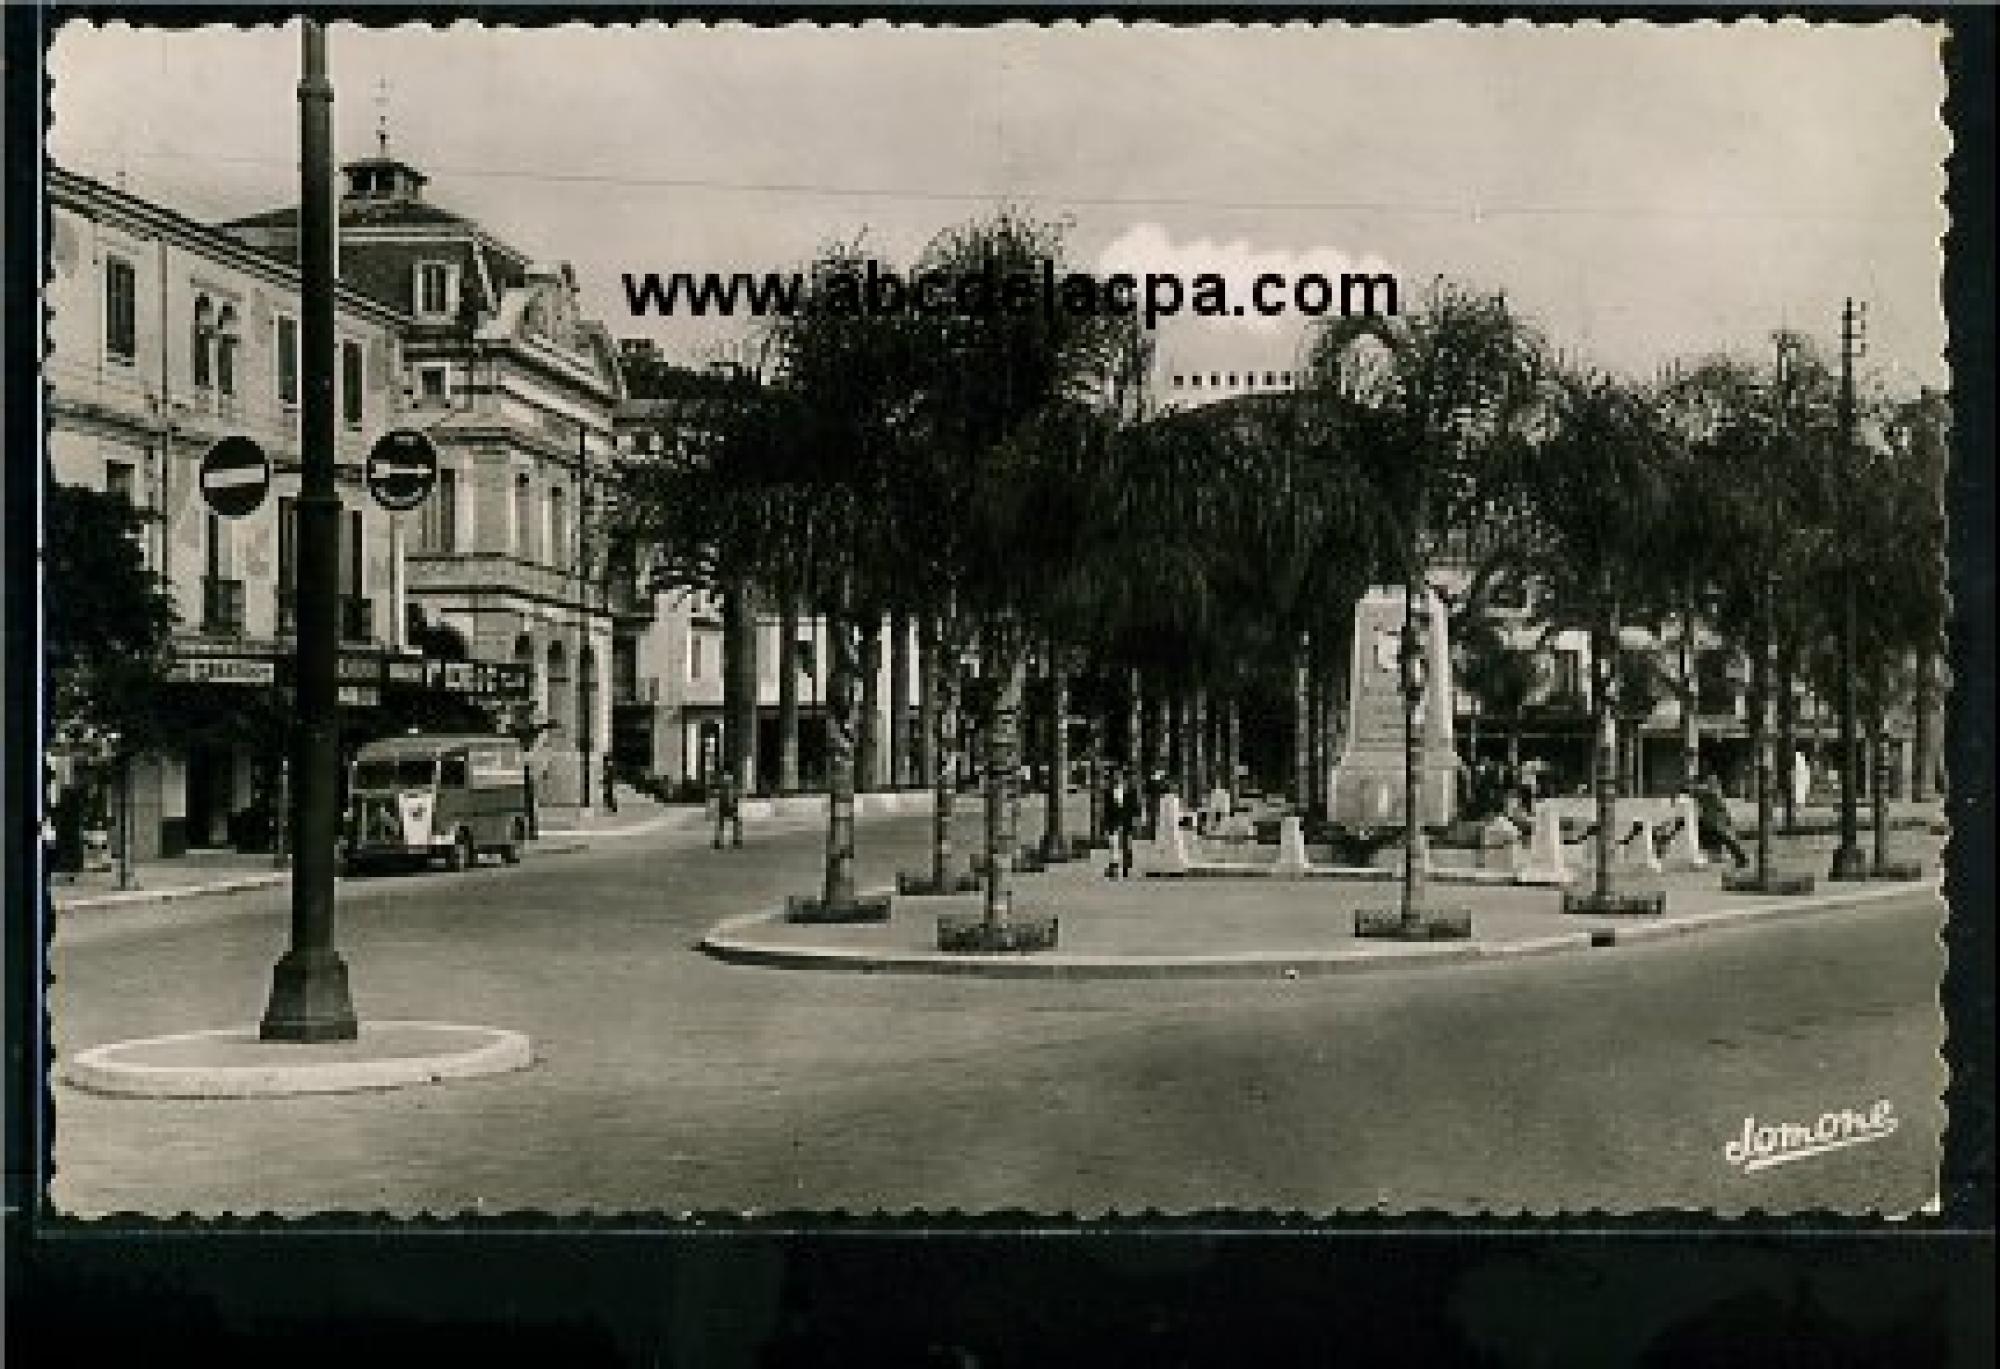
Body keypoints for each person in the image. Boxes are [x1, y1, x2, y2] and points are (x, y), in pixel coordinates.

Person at [1686, 772, 1748, 869]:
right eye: (1709, 781)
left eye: (1711, 782)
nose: (1709, 783)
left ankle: (1742, 859)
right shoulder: (1708, 792)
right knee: (1719, 839)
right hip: (1712, 821)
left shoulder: (1712, 792)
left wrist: (1690, 783)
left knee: (1727, 840)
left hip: (1717, 821)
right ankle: (1724, 856)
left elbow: (1696, 791)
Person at [1102, 766, 1141, 879]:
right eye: (1114, 776)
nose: (1116, 778)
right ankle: (1113, 867)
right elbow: (1106, 808)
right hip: (1113, 820)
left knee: (1126, 844)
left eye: (1118, 776)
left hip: (1126, 820)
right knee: (1113, 844)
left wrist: (1136, 819)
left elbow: (1135, 806)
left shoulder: (1130, 790)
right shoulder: (1108, 791)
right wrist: (1104, 822)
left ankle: (1126, 867)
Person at [712, 766, 743, 850]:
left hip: (723, 803)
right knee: (735, 822)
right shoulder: (731, 782)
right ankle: (735, 840)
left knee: (720, 823)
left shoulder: (721, 781)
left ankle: (718, 841)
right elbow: (735, 794)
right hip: (730, 803)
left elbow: (717, 793)